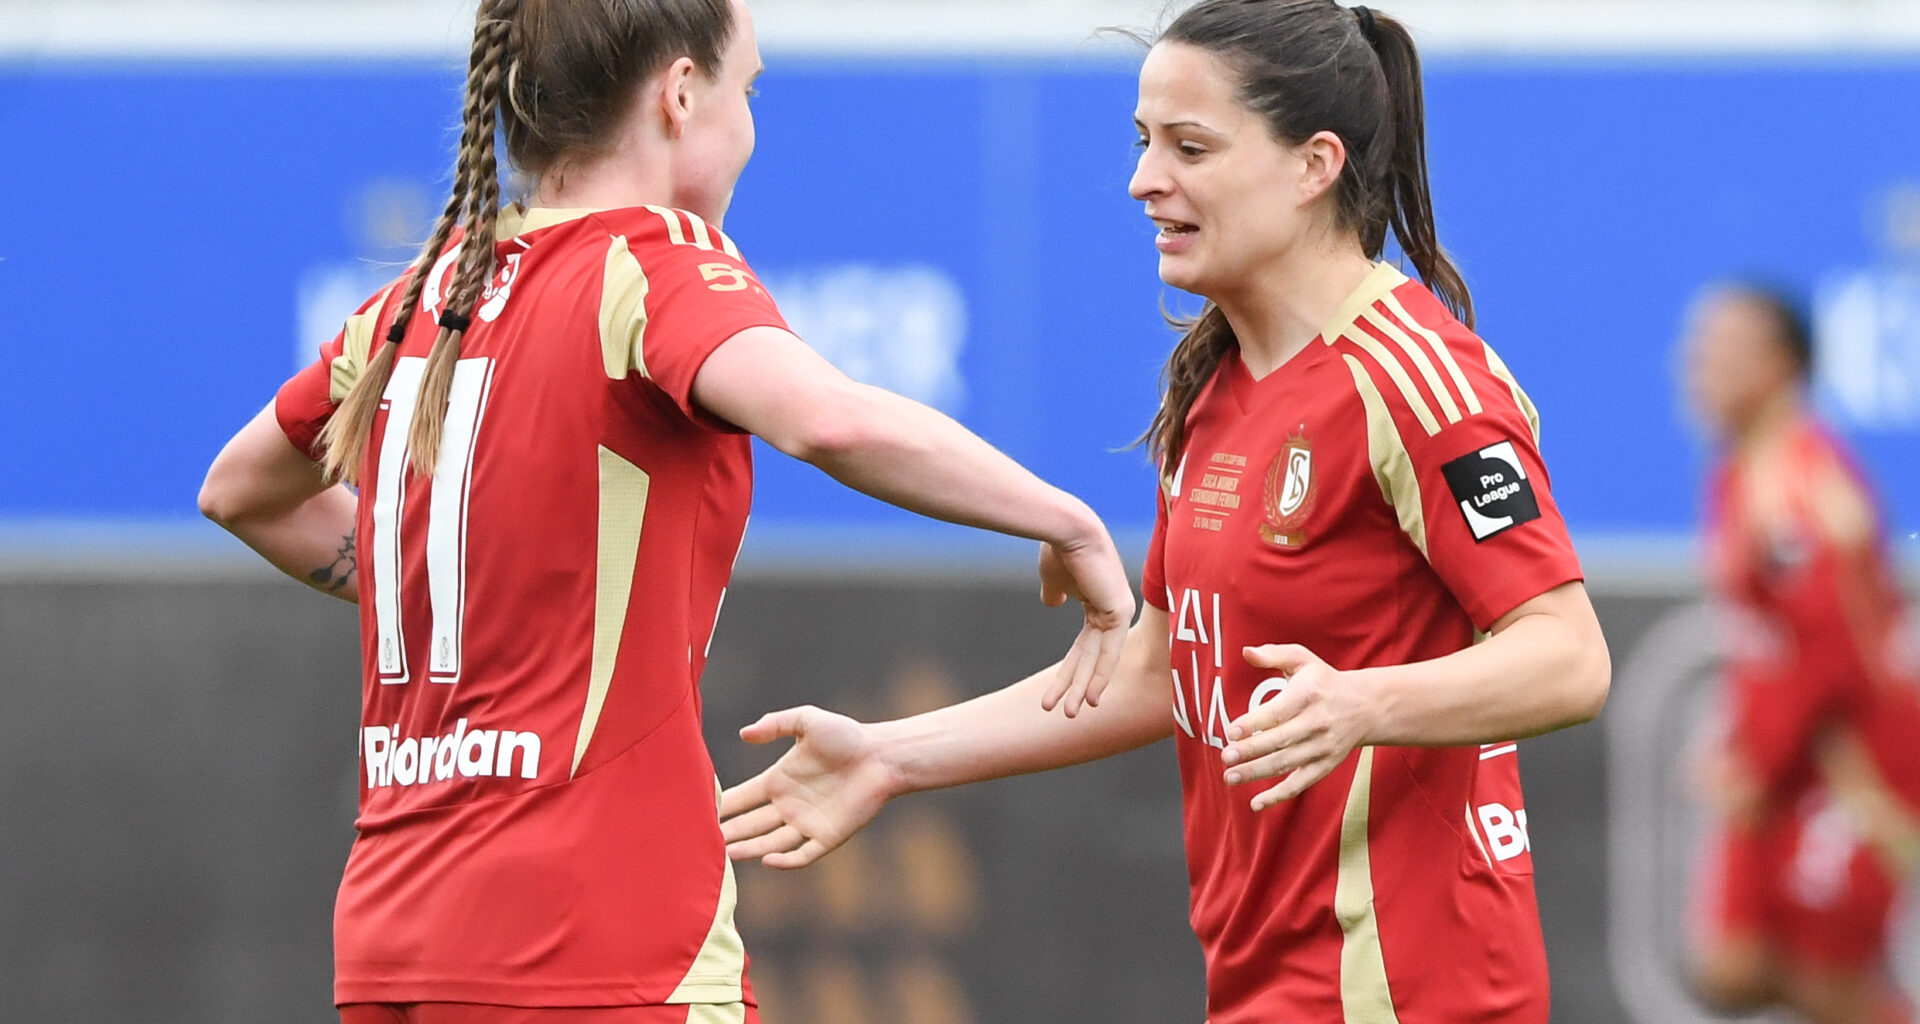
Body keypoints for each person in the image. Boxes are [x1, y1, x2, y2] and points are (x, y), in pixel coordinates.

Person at [195, 1, 1136, 1021]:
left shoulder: (419, 300)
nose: (753, 126)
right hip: (597, 939)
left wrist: (474, 590)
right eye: (749, 90)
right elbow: (823, 420)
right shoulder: (649, 261)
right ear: (681, 96)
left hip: (392, 941)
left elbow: (239, 490)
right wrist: (1066, 520)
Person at [717, 2, 1612, 1021]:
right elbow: (1155, 670)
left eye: (1191, 147)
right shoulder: (1214, 390)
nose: (1146, 181)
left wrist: (1365, 703)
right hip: (1262, 988)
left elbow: (1569, 655)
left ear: (1315, 164)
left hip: (1409, 990)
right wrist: (889, 756)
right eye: (1145, 144)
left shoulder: (1413, 379)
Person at [1680, 282, 1920, 1024]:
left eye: (1727, 349)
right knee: (1732, 963)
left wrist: (1760, 755)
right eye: (1700, 348)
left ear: (1782, 366)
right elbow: (1769, 643)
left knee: (1831, 984)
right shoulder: (1741, 472)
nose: (1701, 367)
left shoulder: (1802, 484)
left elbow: (1837, 653)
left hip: (1848, 769)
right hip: (1787, 762)